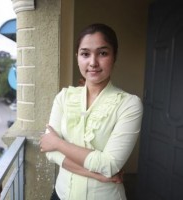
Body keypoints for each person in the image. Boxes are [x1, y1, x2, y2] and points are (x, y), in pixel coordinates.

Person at [39, 23, 143, 200]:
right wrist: (98, 175)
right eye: (85, 54)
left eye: (102, 53)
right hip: (60, 194)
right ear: (77, 57)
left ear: (114, 56)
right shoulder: (64, 97)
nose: (93, 62)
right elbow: (48, 151)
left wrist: (58, 143)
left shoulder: (129, 104)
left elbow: (109, 165)